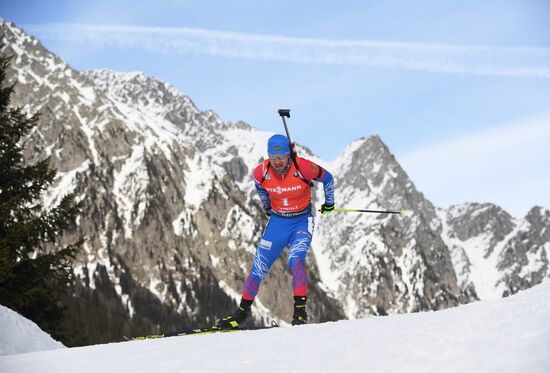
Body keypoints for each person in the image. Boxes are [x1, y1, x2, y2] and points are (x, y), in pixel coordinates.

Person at [216, 134, 335, 329]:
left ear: (288, 155)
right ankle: (241, 314)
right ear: (268, 156)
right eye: (273, 157)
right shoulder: (261, 172)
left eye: (281, 157)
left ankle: (300, 313)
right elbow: (261, 189)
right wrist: (267, 207)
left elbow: (328, 179)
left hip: (301, 222)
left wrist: (329, 203)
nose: (277, 162)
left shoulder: (303, 167)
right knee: (258, 267)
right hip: (278, 223)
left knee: (295, 260)